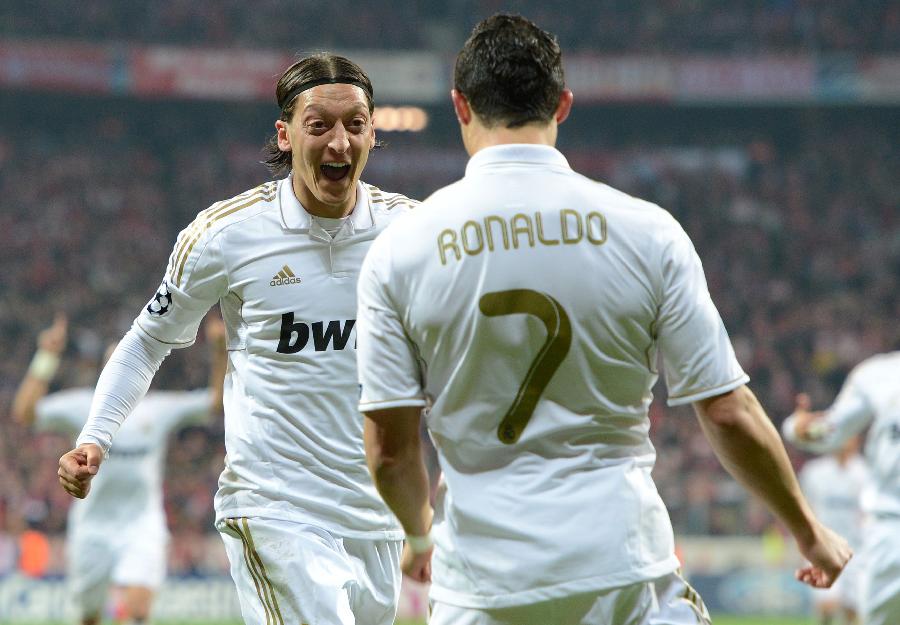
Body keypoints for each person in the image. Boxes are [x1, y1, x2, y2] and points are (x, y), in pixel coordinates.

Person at [355, 14, 851, 625]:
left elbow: (389, 454)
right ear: (563, 104)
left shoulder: (400, 251)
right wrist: (806, 530)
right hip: (625, 578)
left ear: (460, 106)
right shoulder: (648, 232)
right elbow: (726, 410)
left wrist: (421, 537)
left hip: (482, 592)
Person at [57, 53, 418, 625]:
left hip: (375, 517)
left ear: (374, 130)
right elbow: (148, 340)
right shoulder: (228, 235)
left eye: (354, 124)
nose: (340, 143)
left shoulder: (411, 235)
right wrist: (97, 434)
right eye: (319, 125)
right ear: (285, 133)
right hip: (276, 509)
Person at [13, 312, 226, 625]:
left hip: (141, 524)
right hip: (92, 528)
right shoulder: (84, 406)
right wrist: (46, 357)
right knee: (88, 616)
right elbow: (25, 413)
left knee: (138, 609)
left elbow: (216, 403)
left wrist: (221, 352)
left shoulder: (159, 409)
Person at [783, 351, 900, 625]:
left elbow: (825, 431)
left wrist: (798, 429)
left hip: (882, 540)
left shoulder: (879, 374)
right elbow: (827, 431)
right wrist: (797, 429)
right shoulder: (879, 375)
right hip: (886, 535)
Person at [797, 436, 866, 625]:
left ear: (856, 441)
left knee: (854, 610)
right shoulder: (814, 472)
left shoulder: (865, 472)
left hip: (856, 551)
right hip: (823, 548)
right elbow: (805, 508)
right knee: (827, 606)